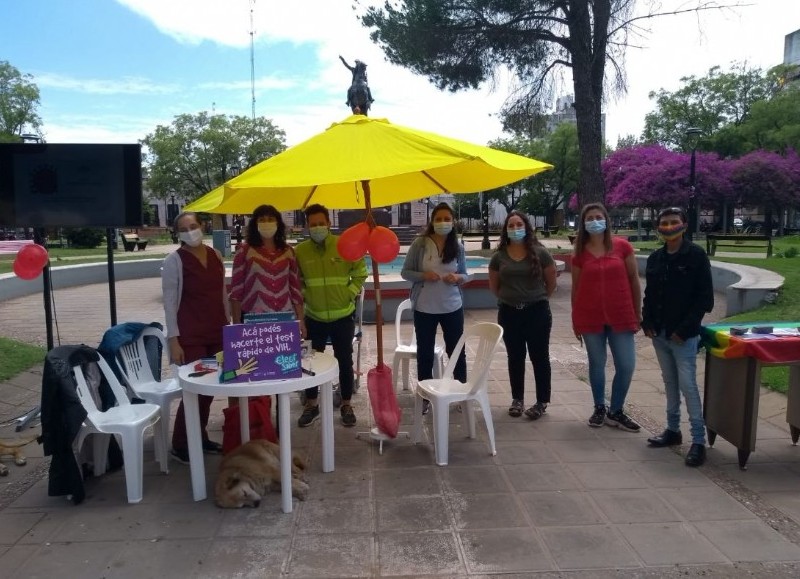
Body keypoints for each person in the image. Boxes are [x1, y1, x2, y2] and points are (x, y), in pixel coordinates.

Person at [642, 206, 714, 467]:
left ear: (684, 224)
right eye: (664, 223)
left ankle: (698, 441)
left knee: (688, 385)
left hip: (683, 335)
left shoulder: (695, 256)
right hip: (659, 333)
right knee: (669, 383)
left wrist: (684, 330)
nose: (669, 227)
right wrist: (647, 321)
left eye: (674, 222)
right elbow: (650, 295)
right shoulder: (656, 258)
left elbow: (704, 299)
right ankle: (673, 430)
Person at [162, 212, 228, 463]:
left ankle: (198, 437)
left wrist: (228, 324)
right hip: (191, 336)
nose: (190, 231)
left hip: (217, 331)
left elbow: (221, 292)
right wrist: (173, 339)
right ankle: (181, 443)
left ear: (202, 226)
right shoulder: (174, 261)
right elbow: (169, 303)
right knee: (194, 390)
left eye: (193, 226)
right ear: (177, 234)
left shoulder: (215, 256)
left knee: (210, 388)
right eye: (183, 228)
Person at [294, 204, 368, 428]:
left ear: (329, 223)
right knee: (310, 362)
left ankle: (346, 404)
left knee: (344, 360)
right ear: (308, 226)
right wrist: (307, 295)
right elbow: (296, 281)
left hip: (342, 316)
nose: (317, 227)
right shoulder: (300, 251)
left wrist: (350, 293)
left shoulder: (344, 246)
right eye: (313, 224)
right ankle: (311, 404)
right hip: (313, 316)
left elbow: (360, 272)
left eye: (321, 223)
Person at [572, 203, 642, 432]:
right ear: (584, 224)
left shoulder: (622, 247)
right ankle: (600, 407)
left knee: (626, 364)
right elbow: (575, 287)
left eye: (598, 217)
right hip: (590, 317)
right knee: (597, 363)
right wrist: (575, 319)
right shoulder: (580, 253)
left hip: (621, 315)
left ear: (606, 220)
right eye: (589, 218)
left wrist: (637, 312)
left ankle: (617, 410)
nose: (594, 221)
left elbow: (633, 280)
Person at [401, 202, 470, 414]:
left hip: (452, 307)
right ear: (432, 221)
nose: (443, 223)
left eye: (447, 219)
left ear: (453, 221)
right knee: (425, 353)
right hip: (425, 308)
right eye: (438, 219)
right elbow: (406, 272)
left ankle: (461, 393)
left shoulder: (457, 247)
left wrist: (457, 277)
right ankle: (424, 396)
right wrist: (423, 276)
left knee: (456, 350)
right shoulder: (420, 244)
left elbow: (465, 275)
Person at [489, 211, 557, 420]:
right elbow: (494, 286)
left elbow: (551, 283)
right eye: (511, 225)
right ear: (505, 230)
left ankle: (541, 401)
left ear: (526, 227)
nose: (515, 229)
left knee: (540, 357)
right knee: (515, 357)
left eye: (519, 225)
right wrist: (511, 299)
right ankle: (517, 399)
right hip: (510, 313)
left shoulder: (540, 253)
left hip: (537, 313)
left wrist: (535, 298)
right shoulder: (499, 256)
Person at [229, 204, 304, 330]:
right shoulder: (244, 251)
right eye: (262, 220)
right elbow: (236, 291)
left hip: (285, 318)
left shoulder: (288, 251)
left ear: (278, 223)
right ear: (255, 224)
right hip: (254, 320)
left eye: (270, 219)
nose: (266, 223)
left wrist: (301, 320)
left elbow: (295, 289)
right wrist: (236, 324)